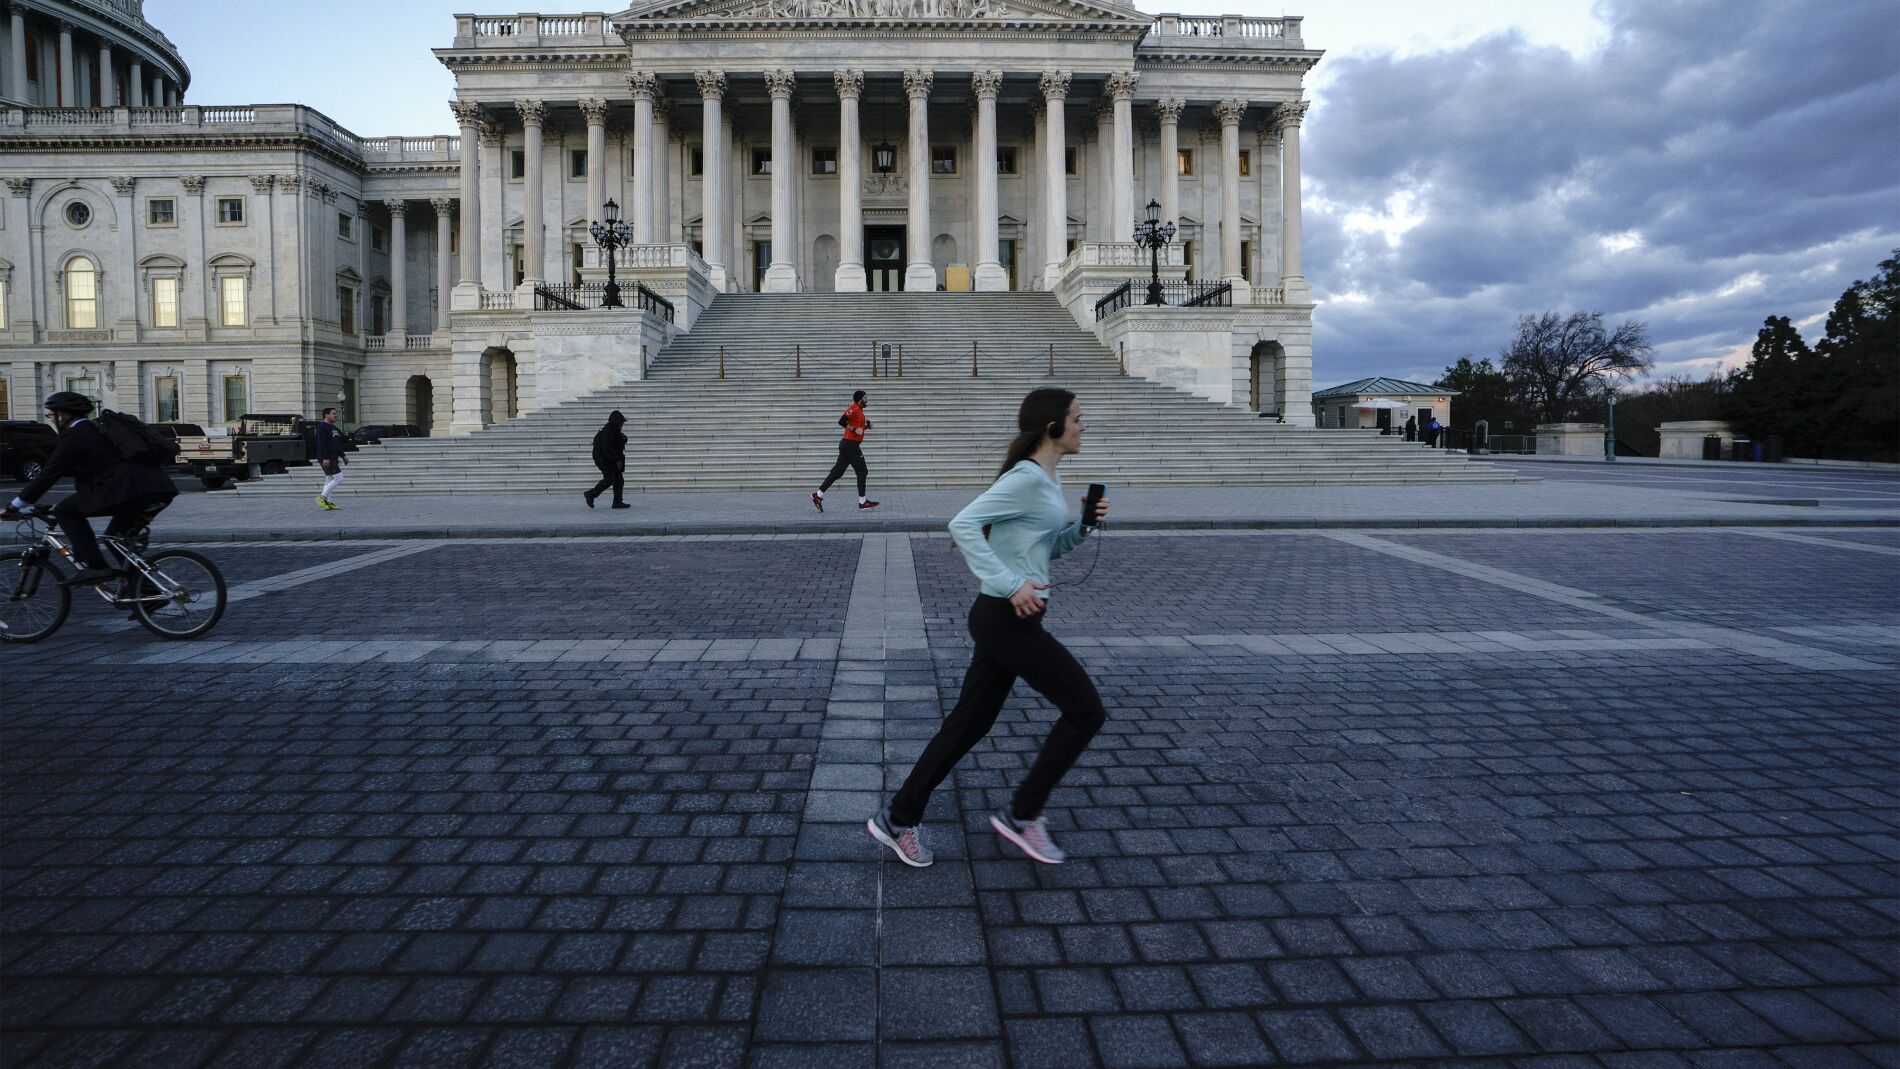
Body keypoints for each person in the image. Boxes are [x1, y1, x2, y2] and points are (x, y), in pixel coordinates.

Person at [868, 387, 1111, 868]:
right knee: (1086, 712)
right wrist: (1011, 583)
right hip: (1007, 621)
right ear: (1053, 427)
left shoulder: (1047, 479)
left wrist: (1083, 527)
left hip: (1008, 618)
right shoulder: (1026, 479)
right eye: (1078, 418)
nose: (1084, 426)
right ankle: (1023, 814)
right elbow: (962, 524)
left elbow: (1043, 551)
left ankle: (897, 818)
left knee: (969, 724)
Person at [5, 392, 177, 586]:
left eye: (52, 415)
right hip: (156, 487)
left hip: (128, 490)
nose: (52, 420)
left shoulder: (75, 435)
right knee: (116, 538)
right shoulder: (98, 429)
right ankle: (148, 592)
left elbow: (49, 474)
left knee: (65, 511)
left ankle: (96, 566)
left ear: (63, 415)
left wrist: (15, 505)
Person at [812, 389, 877, 512]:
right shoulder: (854, 408)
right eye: (865, 398)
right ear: (860, 399)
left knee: (837, 473)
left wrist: (867, 427)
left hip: (848, 445)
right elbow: (842, 421)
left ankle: (818, 495)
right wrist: (854, 430)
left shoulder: (860, 411)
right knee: (862, 471)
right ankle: (862, 502)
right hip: (850, 445)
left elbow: (859, 429)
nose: (867, 400)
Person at [584, 410, 630, 509]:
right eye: (620, 423)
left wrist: (624, 439)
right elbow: (607, 449)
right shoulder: (608, 431)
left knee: (619, 479)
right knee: (610, 479)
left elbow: (617, 443)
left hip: (609, 458)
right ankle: (590, 494)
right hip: (603, 459)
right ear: (615, 422)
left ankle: (617, 502)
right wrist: (616, 460)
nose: (622, 425)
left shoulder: (614, 431)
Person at [313, 407, 348, 510]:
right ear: (326, 415)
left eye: (335, 413)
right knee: (338, 478)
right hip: (327, 458)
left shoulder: (332, 427)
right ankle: (322, 497)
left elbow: (336, 443)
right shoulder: (322, 427)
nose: (335, 415)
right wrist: (325, 457)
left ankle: (327, 502)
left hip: (333, 457)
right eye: (333, 413)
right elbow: (321, 443)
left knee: (329, 479)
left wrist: (342, 455)